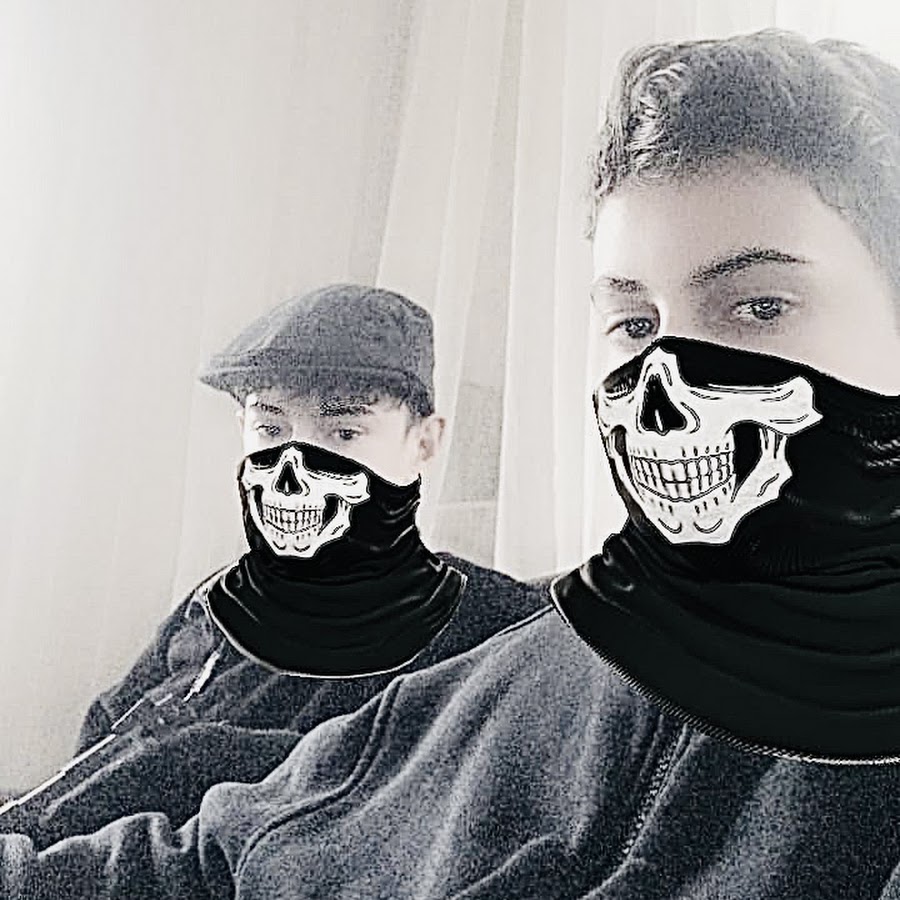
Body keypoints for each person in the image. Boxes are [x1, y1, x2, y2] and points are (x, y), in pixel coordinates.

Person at [3, 28, 900, 899]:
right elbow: (207, 859)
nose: (659, 402)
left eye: (758, 308)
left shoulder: (476, 621)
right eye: (633, 324)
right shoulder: (520, 671)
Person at [0, 284, 547, 850]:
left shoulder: (486, 626)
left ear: (424, 443)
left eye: (344, 433)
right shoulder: (216, 603)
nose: (292, 474)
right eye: (270, 430)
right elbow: (89, 760)